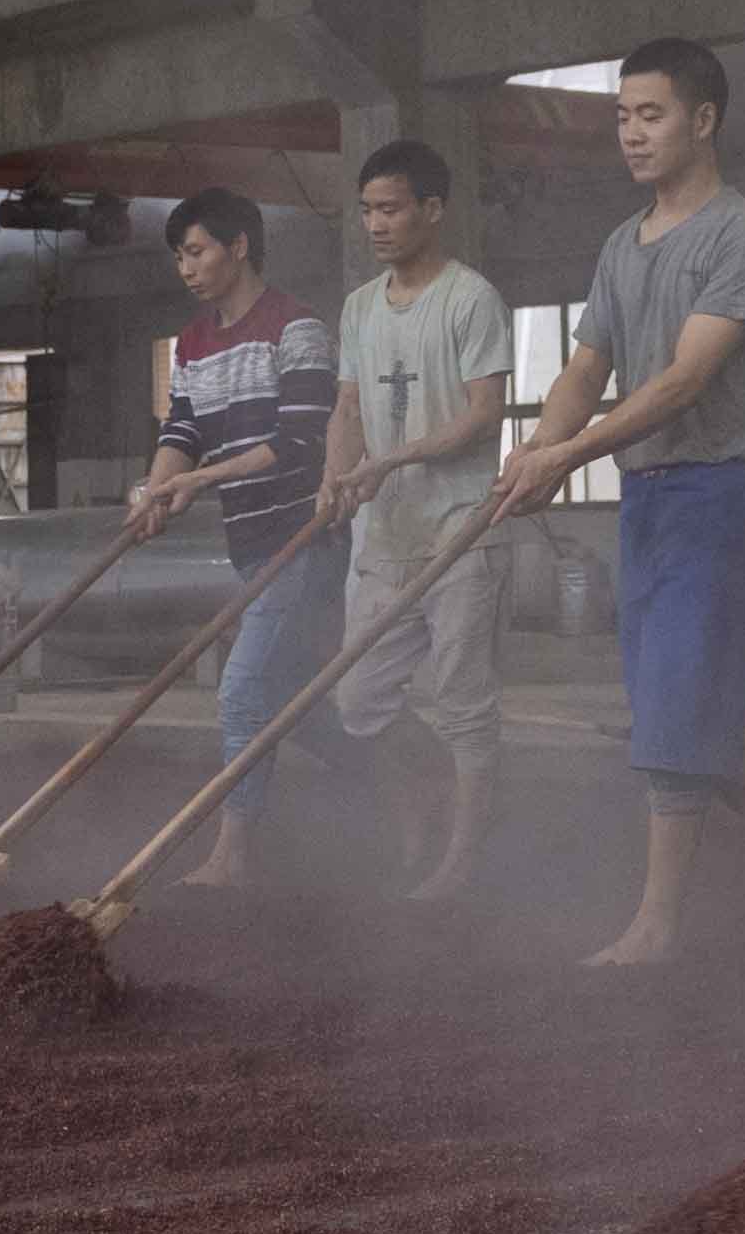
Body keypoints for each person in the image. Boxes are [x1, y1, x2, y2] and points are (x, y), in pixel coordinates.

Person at [491, 38, 745, 967]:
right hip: (644, 502)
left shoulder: (740, 235)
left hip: (711, 498)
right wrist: (533, 451)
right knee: (681, 717)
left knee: (672, 716)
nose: (630, 133)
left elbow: (684, 381)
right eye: (621, 116)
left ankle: (656, 924)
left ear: (702, 120)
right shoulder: (622, 244)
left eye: (649, 115)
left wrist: (566, 455)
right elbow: (585, 370)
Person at [315, 139, 515, 901]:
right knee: (358, 698)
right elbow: (348, 407)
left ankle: (460, 858)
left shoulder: (470, 298)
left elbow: (483, 414)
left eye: (390, 208)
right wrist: (335, 477)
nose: (375, 224)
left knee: (462, 701)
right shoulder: (359, 307)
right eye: (367, 210)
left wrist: (390, 459)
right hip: (387, 534)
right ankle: (441, 794)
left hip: (460, 529)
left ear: (432, 210)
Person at [131, 189, 341, 890]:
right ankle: (393, 777)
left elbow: (301, 440)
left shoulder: (296, 328)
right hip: (248, 541)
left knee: (242, 688)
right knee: (289, 698)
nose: (186, 269)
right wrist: (157, 490)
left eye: (196, 252)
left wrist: (199, 481)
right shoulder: (192, 342)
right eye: (179, 257)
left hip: (303, 534)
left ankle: (232, 854)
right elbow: (182, 428)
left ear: (239, 246)